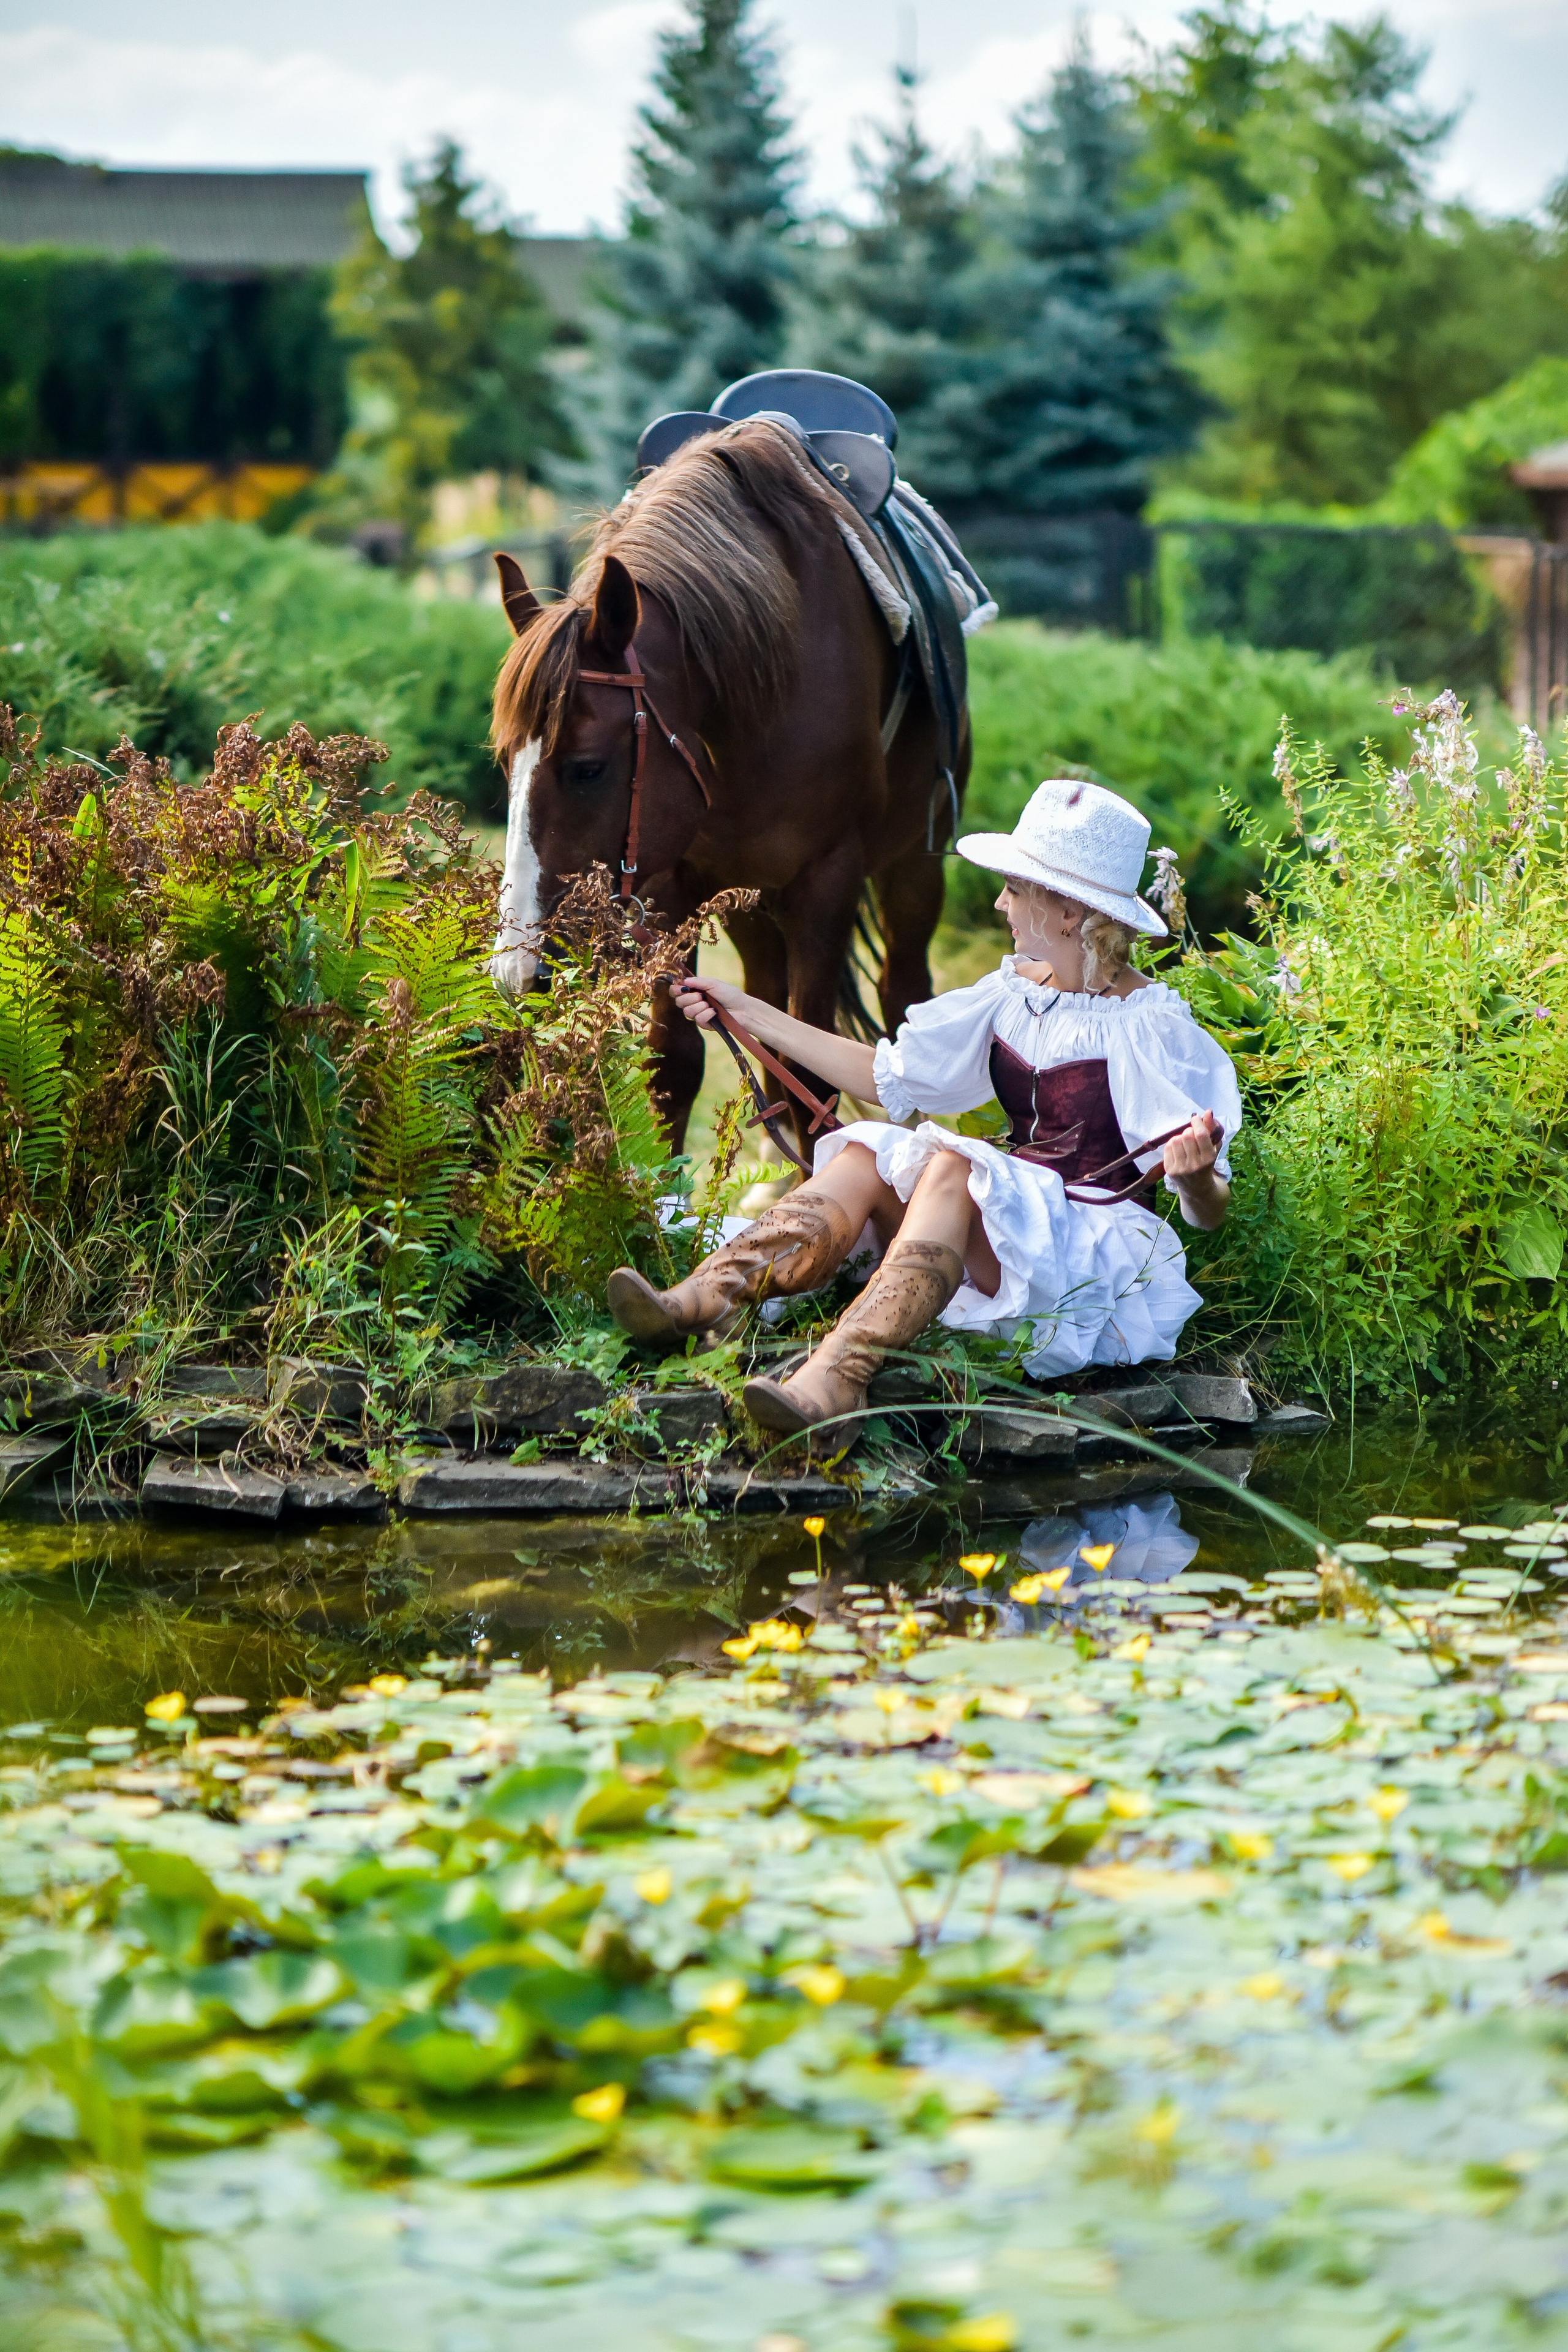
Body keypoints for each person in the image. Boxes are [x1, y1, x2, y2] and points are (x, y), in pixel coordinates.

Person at [607, 777, 1242, 1439]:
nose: (1000, 902)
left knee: (951, 1166)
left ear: (1066, 912)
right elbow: (887, 1076)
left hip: (1086, 1257)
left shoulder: (1151, 1026)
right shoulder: (1013, 994)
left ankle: (838, 1377)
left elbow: (1208, 1213)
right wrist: (750, 1013)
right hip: (1003, 1227)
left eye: (1015, 888)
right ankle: (708, 1296)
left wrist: (1197, 1177)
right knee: (868, 1150)